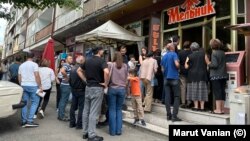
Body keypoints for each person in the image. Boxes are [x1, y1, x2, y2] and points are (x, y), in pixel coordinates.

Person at [77, 46, 109, 141]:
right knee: (93, 112)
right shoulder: (101, 61)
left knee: (86, 110)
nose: (103, 51)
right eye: (102, 50)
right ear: (99, 51)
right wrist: (106, 83)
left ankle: (85, 133)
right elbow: (106, 72)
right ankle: (91, 135)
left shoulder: (87, 60)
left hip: (88, 87)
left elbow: (79, 71)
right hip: (97, 88)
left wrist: (85, 80)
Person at [18, 52, 42, 127]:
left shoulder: (21, 65)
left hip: (24, 85)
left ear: (26, 57)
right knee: (35, 102)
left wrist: (21, 85)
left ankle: (24, 121)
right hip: (33, 85)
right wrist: (40, 85)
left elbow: (19, 76)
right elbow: (37, 75)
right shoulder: (34, 65)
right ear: (33, 57)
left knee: (24, 103)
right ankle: (30, 121)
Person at [107, 52, 128, 136]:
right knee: (119, 109)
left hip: (112, 88)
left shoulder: (111, 65)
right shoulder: (125, 66)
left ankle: (112, 131)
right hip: (122, 89)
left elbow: (107, 74)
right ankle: (118, 130)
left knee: (112, 109)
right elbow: (127, 78)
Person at [205, 39, 228, 114]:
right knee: (222, 92)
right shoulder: (223, 53)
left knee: (217, 92)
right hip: (223, 75)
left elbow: (214, 65)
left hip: (216, 76)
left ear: (211, 46)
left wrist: (208, 62)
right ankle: (222, 109)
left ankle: (218, 109)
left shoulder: (214, 53)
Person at [185, 42, 208, 112]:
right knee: (202, 91)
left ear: (191, 49)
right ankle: (202, 108)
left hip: (193, 76)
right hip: (202, 75)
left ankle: (196, 106)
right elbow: (208, 64)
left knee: (194, 91)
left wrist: (189, 64)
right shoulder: (204, 54)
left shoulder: (189, 56)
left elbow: (186, 66)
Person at [161, 43, 181, 122]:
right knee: (176, 96)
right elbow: (176, 64)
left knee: (167, 97)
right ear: (173, 48)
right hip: (174, 77)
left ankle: (168, 115)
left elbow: (162, 69)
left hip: (166, 78)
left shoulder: (164, 56)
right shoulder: (174, 54)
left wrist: (166, 74)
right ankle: (174, 116)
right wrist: (179, 66)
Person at [69, 55, 86, 129]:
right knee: (81, 108)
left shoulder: (72, 68)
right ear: (81, 61)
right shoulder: (81, 69)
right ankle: (79, 124)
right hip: (81, 90)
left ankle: (72, 123)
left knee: (73, 107)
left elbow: (69, 80)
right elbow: (84, 80)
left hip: (74, 89)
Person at [58, 55, 73, 121]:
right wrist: (67, 77)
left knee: (63, 100)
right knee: (64, 100)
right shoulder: (66, 65)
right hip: (66, 85)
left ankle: (61, 115)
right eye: (70, 58)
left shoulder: (69, 65)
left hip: (65, 85)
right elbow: (62, 71)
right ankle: (61, 116)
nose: (71, 59)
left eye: (72, 58)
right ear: (66, 59)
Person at [178, 41, 192, 108]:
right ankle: (189, 102)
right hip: (190, 72)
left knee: (183, 87)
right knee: (189, 87)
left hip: (182, 72)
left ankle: (183, 102)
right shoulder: (191, 53)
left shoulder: (180, 53)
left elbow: (178, 63)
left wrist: (181, 68)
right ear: (190, 46)